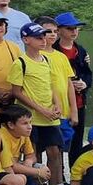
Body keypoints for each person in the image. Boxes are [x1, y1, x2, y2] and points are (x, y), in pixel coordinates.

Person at [7, 22, 67, 185]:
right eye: (38, 37)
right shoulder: (20, 63)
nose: (43, 40)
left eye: (44, 36)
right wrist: (40, 110)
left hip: (50, 116)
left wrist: (57, 105)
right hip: (31, 117)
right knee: (34, 152)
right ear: (26, 40)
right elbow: (16, 92)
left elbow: (51, 86)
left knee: (55, 151)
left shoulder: (47, 60)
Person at [36, 16, 79, 164]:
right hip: (46, 110)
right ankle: (40, 180)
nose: (53, 34)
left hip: (63, 111)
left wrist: (74, 110)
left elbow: (69, 84)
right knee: (40, 147)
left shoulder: (61, 56)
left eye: (55, 31)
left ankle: (59, 179)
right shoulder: (37, 56)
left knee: (59, 147)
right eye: (48, 31)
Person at [54, 11, 93, 165]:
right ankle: (59, 177)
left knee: (77, 141)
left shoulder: (81, 50)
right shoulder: (53, 51)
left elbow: (88, 74)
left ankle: (76, 175)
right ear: (59, 30)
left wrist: (84, 84)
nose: (74, 32)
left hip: (79, 101)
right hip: (60, 103)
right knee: (59, 141)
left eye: (76, 28)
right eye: (70, 28)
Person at [0, 104, 47, 185]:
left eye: (30, 122)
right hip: (2, 174)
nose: (30, 127)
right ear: (10, 125)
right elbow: (10, 166)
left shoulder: (23, 134)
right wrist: (36, 172)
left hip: (15, 174)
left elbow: (31, 155)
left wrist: (29, 161)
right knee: (38, 171)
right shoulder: (1, 135)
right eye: (25, 123)